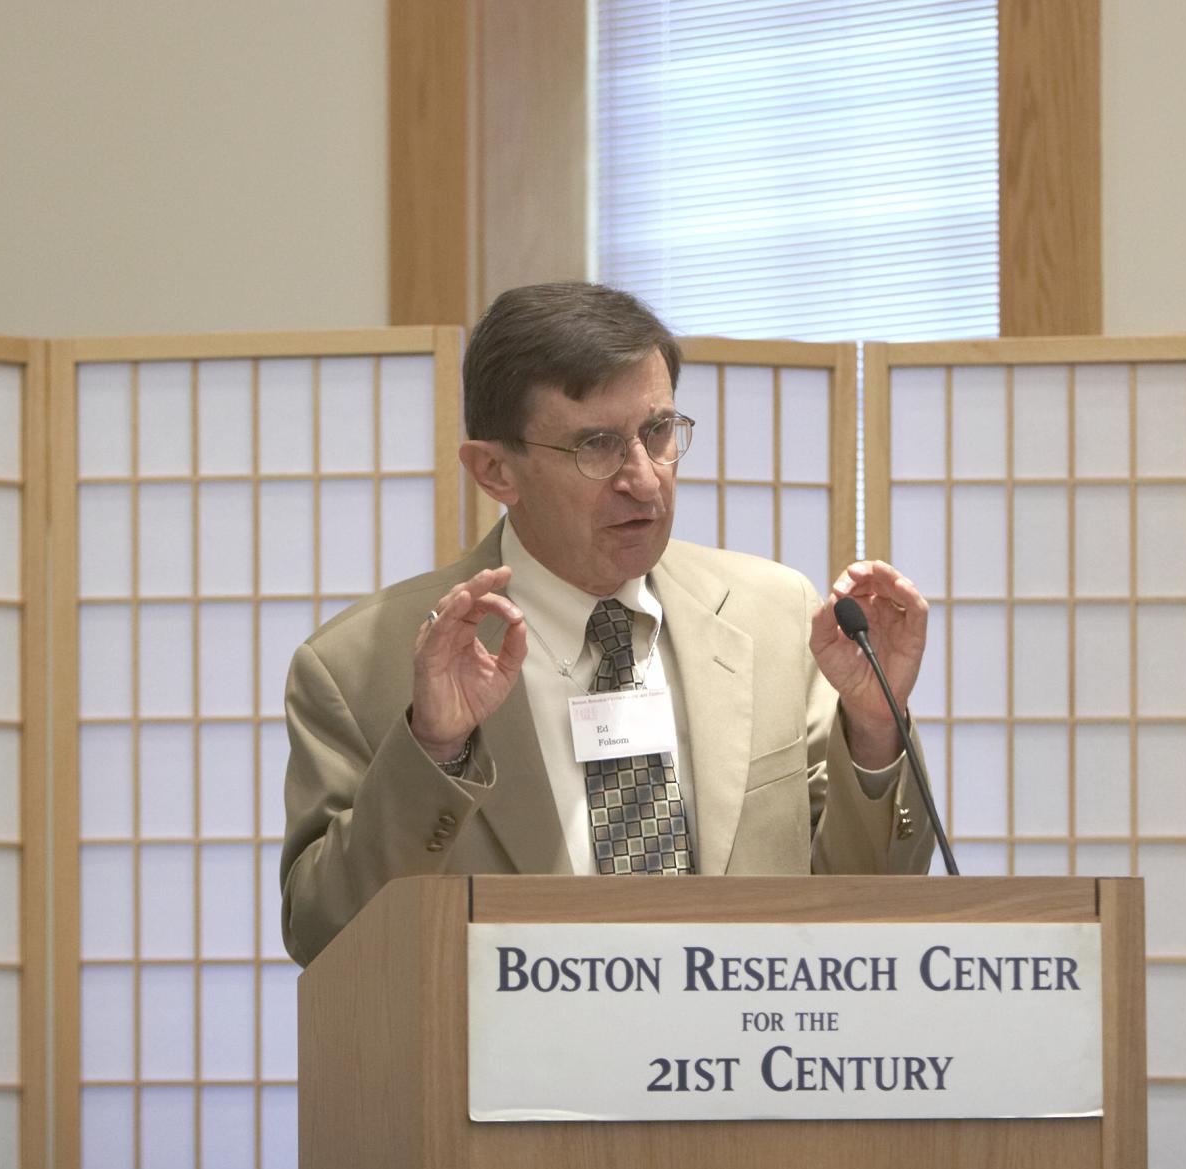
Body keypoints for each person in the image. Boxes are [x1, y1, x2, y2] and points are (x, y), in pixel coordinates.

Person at [279, 282, 935, 965]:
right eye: (597, 445)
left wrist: (874, 727)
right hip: (506, 1065)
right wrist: (434, 750)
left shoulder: (774, 615)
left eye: (658, 433)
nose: (644, 479)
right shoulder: (358, 666)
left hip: (740, 1059)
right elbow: (325, 934)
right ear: (495, 469)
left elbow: (868, 905)